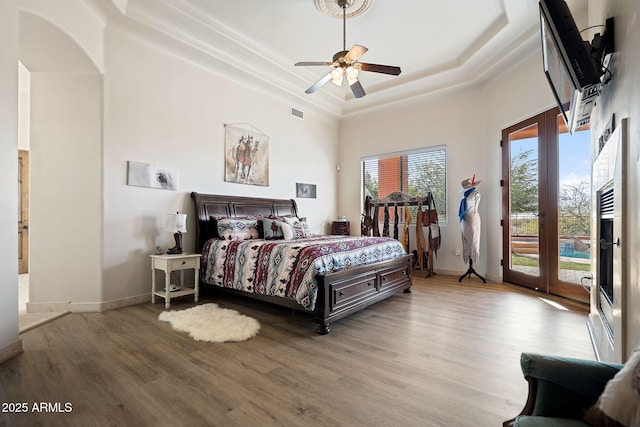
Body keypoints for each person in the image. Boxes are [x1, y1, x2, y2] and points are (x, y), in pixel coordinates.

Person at [458, 175, 486, 282]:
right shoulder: (465, 195)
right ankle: (468, 262)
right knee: (465, 241)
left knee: (474, 240)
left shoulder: (476, 194)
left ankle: (473, 260)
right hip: (464, 220)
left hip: (473, 219)